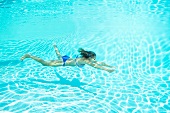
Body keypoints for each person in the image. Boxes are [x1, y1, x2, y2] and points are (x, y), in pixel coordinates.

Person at [20, 43, 116, 73]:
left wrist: (109, 65)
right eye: (93, 58)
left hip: (68, 58)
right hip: (64, 62)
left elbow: (98, 63)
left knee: (59, 55)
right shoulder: (86, 61)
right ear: (89, 57)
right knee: (45, 63)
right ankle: (29, 56)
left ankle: (55, 46)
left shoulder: (86, 58)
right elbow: (95, 66)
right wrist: (107, 70)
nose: (94, 60)